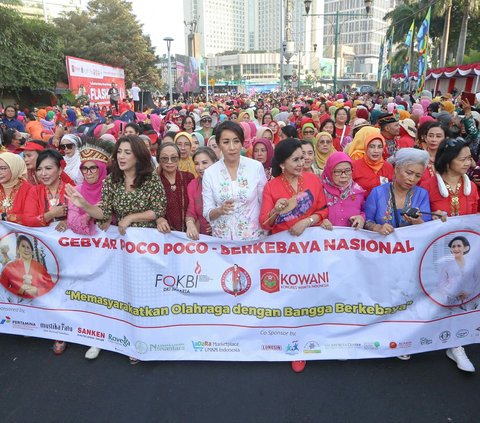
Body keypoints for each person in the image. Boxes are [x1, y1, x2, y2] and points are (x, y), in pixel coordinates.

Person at [259, 137, 328, 374]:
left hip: (308, 250)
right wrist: (276, 212)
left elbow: (323, 209)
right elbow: (265, 224)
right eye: (296, 159)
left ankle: (307, 342)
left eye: (304, 158)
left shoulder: (312, 179)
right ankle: (289, 343)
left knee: (308, 297)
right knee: (286, 299)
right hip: (282, 253)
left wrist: (306, 222)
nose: (302, 163)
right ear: (282, 163)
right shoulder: (272, 187)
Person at [66, 135, 166, 235]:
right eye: (119, 151)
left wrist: (130, 218)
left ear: (138, 156)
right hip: (123, 238)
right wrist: (85, 205)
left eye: (127, 152)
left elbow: (158, 210)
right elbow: (105, 212)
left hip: (148, 237)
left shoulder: (150, 177)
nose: (121, 156)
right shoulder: (112, 180)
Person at [202, 121, 267, 241]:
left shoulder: (255, 167)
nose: (232, 147)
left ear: (242, 143)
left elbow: (264, 202)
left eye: (236, 141)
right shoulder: (210, 173)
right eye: (226, 142)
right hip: (224, 241)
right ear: (218, 144)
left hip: (254, 238)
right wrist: (220, 210)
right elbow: (207, 212)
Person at [364, 148, 432, 236]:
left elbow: (428, 226)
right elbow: (366, 221)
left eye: (418, 176)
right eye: (408, 173)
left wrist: (418, 222)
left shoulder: (422, 195)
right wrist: (377, 228)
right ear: (396, 169)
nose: (412, 179)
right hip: (381, 246)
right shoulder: (377, 192)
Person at [67, 137, 114, 236]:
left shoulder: (112, 188)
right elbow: (72, 223)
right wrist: (89, 212)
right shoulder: (76, 191)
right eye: (84, 168)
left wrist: (108, 217)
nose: (88, 173)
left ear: (101, 169)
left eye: (93, 168)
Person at [23, 150, 69, 230]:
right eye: (39, 169)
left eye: (48, 168)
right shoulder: (35, 191)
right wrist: (51, 214)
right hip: (42, 241)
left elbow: (83, 217)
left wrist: (68, 222)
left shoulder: (71, 190)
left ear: (60, 170)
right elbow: (28, 221)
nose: (43, 173)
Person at [320, 152, 366, 230]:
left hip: (350, 240)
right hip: (326, 239)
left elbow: (365, 211)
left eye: (348, 170)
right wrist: (320, 221)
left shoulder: (358, 191)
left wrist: (361, 218)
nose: (344, 176)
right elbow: (312, 213)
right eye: (338, 171)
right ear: (329, 171)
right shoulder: (320, 191)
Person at [156, 143, 194, 233]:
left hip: (188, 233)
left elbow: (195, 205)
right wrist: (158, 219)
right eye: (165, 158)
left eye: (174, 158)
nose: (170, 162)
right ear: (158, 160)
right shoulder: (154, 181)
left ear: (178, 159)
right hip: (161, 234)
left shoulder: (188, 177)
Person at [185, 147, 218, 240]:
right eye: (196, 164)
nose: (200, 167)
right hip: (204, 238)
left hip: (225, 235)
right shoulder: (193, 185)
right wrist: (190, 224)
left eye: (204, 163)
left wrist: (217, 225)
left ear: (215, 162)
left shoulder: (224, 182)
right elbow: (191, 211)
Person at [439, 236, 479, 310]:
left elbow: (478, 280)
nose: (456, 249)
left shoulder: (473, 263)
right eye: (453, 246)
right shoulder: (446, 265)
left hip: (473, 300)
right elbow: (442, 285)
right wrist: (455, 293)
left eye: (459, 246)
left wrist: (470, 293)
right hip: (454, 302)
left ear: (465, 248)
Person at [0, 152, 32, 224]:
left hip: (21, 233)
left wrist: (3, 216)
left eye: (3, 168)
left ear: (14, 168)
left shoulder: (29, 190)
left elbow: (31, 218)